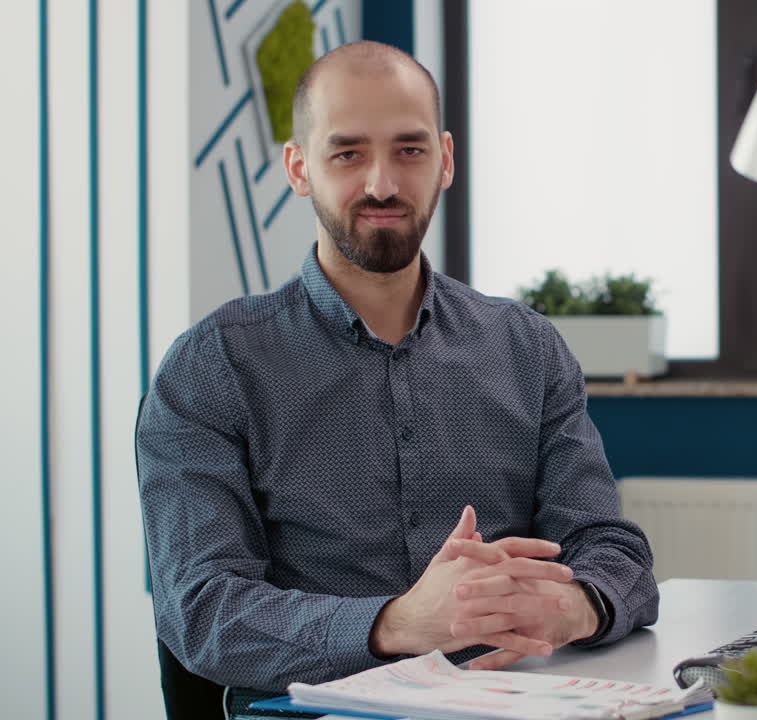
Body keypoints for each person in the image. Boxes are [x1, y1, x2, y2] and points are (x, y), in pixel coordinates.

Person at [136, 40, 659, 709]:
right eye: (348, 152)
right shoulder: (212, 368)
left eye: (409, 150)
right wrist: (398, 624)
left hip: (518, 699)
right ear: (299, 168)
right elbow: (204, 611)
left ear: (445, 160)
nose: (382, 183)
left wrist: (577, 606)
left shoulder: (527, 347)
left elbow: (609, 545)